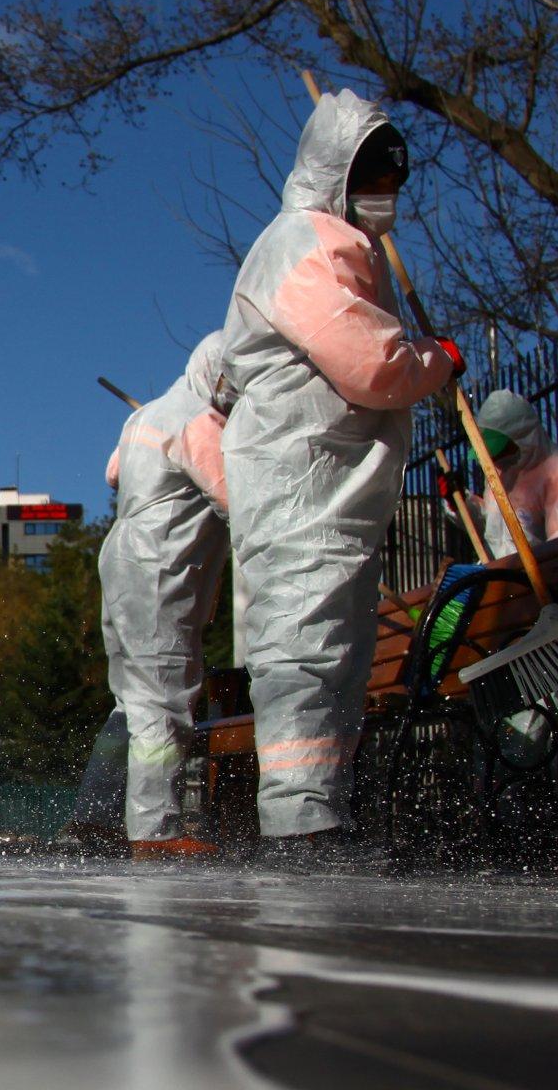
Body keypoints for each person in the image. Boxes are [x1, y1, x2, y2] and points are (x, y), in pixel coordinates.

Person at [219, 89, 459, 861]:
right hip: (304, 487)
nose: (388, 194)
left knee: (336, 653)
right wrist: (437, 360)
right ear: (339, 173)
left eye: (394, 178)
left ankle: (322, 817)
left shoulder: (329, 243)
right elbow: (370, 365)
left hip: (327, 491)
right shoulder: (306, 244)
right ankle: (300, 828)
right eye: (375, 176)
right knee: (306, 647)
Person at [99, 332, 235, 860]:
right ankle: (155, 831)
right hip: (161, 564)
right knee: (162, 697)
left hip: (122, 557)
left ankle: (97, 813)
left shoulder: (144, 415)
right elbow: (233, 501)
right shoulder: (202, 423)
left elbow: (112, 474)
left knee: (131, 699)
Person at [437, 388, 558, 561]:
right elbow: (495, 528)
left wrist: (521, 575)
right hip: (504, 580)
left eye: (499, 449)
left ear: (524, 438)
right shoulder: (502, 472)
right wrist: (460, 502)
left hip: (546, 584)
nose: (493, 458)